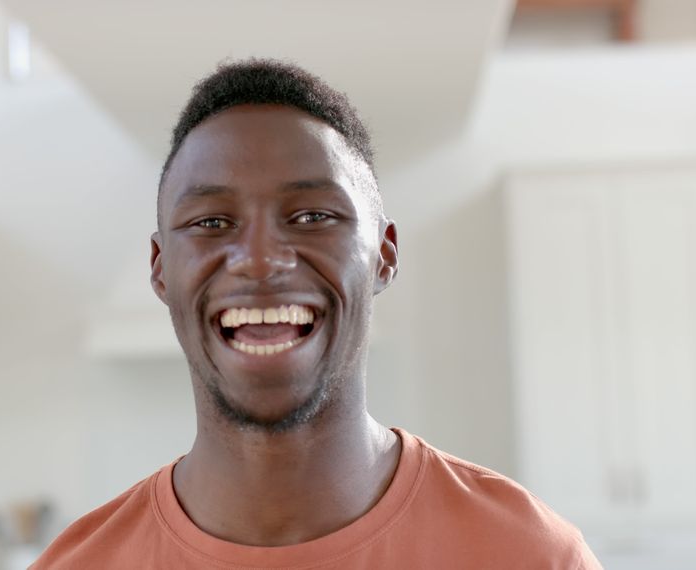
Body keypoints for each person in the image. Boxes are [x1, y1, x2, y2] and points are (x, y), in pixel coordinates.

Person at [30, 59, 601, 569]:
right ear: (160, 268)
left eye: (311, 216)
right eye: (211, 222)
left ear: (383, 255)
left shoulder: (532, 556)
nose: (259, 260)